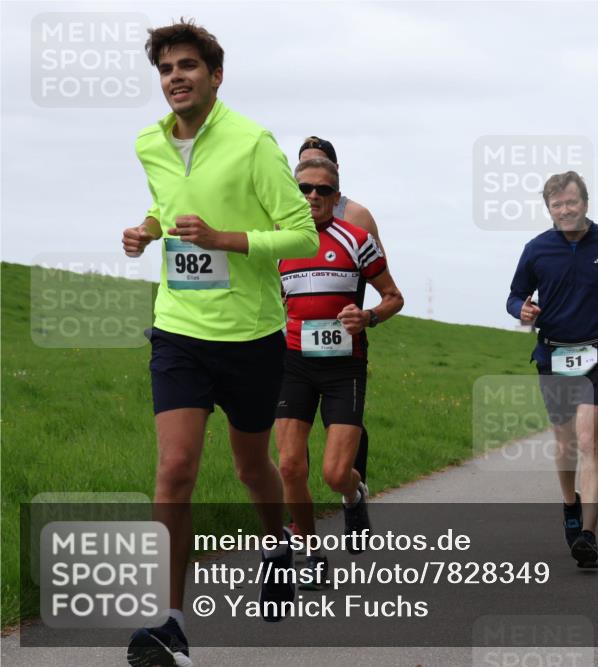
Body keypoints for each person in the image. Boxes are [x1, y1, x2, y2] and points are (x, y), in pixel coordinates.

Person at [122, 19, 319, 666]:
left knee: (250, 465)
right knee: (174, 468)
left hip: (251, 335)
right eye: (166, 68)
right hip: (179, 328)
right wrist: (149, 229)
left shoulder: (253, 143)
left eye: (187, 66)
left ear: (215, 75)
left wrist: (226, 239)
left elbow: (300, 235)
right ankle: (167, 621)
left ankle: (276, 540)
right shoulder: (149, 142)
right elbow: (165, 197)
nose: (175, 76)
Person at [506, 171, 598, 568]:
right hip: (553, 355)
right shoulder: (537, 249)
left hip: (597, 353)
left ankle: (588, 533)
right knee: (567, 442)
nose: (565, 210)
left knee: (588, 441)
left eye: (571, 202)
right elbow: (514, 294)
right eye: (557, 205)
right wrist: (522, 308)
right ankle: (570, 503)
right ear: (549, 209)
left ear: (585, 203)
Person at [275, 157, 403, 585]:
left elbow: (393, 296)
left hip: (344, 366)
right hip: (292, 363)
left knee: (333, 474)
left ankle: (354, 492)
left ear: (336, 195)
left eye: (323, 190)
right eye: (304, 189)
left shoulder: (357, 239)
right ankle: (312, 555)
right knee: (290, 466)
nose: (313, 196)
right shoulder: (277, 242)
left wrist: (368, 318)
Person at [292, 136, 383, 496]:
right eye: (303, 170)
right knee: (291, 442)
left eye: (320, 166)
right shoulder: (287, 213)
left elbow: (377, 271)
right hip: (296, 341)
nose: (313, 188)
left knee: (341, 423)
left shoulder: (356, 215)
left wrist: (363, 316)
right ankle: (300, 516)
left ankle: (352, 491)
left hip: (343, 333)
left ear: (336, 174)